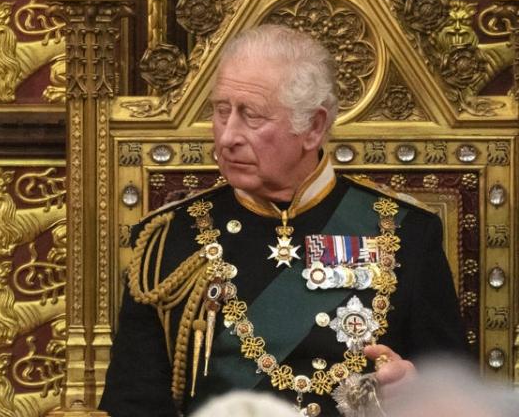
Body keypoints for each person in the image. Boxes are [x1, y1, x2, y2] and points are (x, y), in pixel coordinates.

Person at [99, 25, 466, 416]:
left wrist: (418, 393)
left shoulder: (404, 232)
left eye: (251, 116)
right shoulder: (168, 241)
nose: (227, 137)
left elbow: (461, 399)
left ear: (313, 127)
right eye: (222, 111)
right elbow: (133, 405)